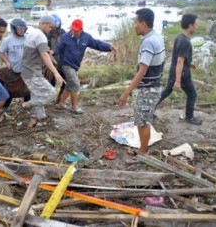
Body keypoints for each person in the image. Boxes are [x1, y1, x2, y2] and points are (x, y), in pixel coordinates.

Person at [118, 8, 165, 158]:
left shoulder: (149, 42)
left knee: (143, 121)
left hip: (148, 88)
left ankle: (143, 153)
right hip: (154, 85)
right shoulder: (156, 37)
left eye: (136, 22)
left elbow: (142, 71)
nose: (134, 26)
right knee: (142, 119)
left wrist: (126, 92)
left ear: (143, 23)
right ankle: (142, 149)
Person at [53, 19, 116, 114]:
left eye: (75, 30)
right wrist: (52, 52)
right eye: (72, 29)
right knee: (75, 84)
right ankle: (74, 107)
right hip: (65, 64)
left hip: (75, 65)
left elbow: (97, 44)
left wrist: (109, 47)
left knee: (70, 84)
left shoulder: (86, 37)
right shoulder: (65, 37)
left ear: (81, 29)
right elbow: (58, 48)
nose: (73, 32)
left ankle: (61, 104)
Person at [156, 14, 202, 125]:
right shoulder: (185, 42)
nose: (196, 27)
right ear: (190, 25)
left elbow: (179, 58)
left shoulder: (179, 37)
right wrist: (178, 81)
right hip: (182, 74)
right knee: (192, 94)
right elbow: (180, 61)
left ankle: (149, 109)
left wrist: (190, 64)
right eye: (195, 24)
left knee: (166, 92)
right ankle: (189, 117)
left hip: (175, 71)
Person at [21, 15, 65, 128]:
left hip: (28, 70)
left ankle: (39, 119)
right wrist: (56, 73)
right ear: (44, 24)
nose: (51, 29)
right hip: (31, 72)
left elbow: (43, 52)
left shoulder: (33, 33)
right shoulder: (41, 36)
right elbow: (44, 55)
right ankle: (29, 103)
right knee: (51, 93)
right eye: (50, 27)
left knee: (37, 93)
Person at [0, 18, 29, 109]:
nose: (22, 30)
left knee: (27, 89)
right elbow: (1, 53)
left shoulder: (26, 38)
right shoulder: (7, 40)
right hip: (13, 69)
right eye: (20, 29)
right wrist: (7, 62)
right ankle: (5, 108)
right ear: (14, 29)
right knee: (10, 90)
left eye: (23, 28)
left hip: (26, 69)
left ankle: (26, 106)